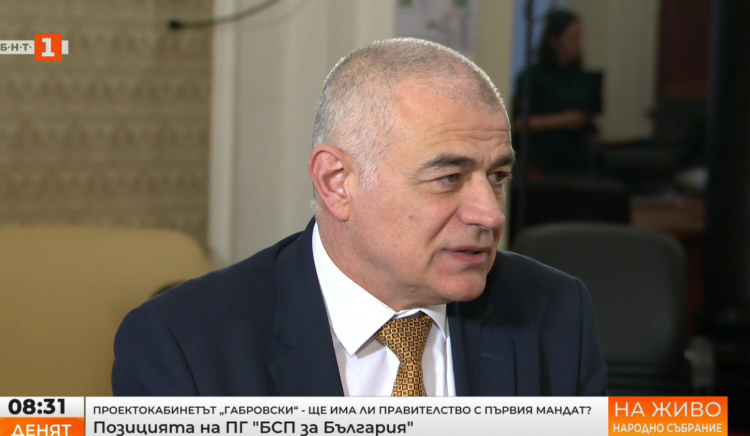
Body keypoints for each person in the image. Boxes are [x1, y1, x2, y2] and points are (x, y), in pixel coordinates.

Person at [112, 37, 607, 396]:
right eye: (449, 177)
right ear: (336, 183)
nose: (490, 214)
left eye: (497, 176)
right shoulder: (182, 343)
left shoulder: (555, 311)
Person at [513, 9, 598, 176]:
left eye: (579, 38)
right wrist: (561, 120)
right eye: (573, 38)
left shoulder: (581, 77)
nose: (578, 44)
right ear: (554, 40)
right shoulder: (533, 76)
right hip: (541, 160)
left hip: (576, 161)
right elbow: (518, 123)